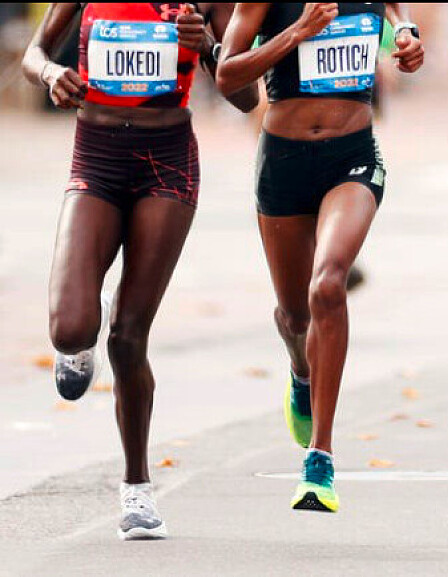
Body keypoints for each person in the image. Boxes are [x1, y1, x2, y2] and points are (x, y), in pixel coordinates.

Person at [21, 2, 258, 540]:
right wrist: (52, 74)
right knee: (70, 329)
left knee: (128, 338)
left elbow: (245, 96)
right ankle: (87, 319)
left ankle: (137, 490)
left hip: (167, 163)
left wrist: (209, 49)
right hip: (96, 156)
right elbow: (33, 55)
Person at [216, 2, 423, 513]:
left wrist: (405, 31)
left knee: (328, 284)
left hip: (353, 155)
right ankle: (300, 371)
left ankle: (319, 458)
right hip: (283, 161)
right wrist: (297, 32)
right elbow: (227, 74)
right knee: (294, 316)